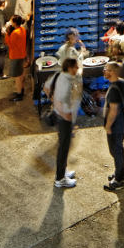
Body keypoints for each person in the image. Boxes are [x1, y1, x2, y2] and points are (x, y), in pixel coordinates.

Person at [47, 57, 82, 189]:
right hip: (64, 119)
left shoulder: (58, 75)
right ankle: (60, 179)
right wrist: (65, 115)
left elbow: (46, 88)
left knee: (64, 146)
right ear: (70, 68)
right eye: (76, 67)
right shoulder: (66, 82)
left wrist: (54, 102)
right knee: (63, 148)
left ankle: (62, 171)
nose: (77, 69)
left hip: (60, 117)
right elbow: (59, 101)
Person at [103, 61, 124, 191]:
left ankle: (119, 180)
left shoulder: (113, 90)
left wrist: (108, 126)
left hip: (115, 125)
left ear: (113, 72)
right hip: (121, 121)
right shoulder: (122, 82)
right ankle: (119, 172)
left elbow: (113, 111)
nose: (104, 71)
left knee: (115, 150)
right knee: (117, 149)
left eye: (107, 69)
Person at [4, 15, 28, 102]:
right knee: (21, 75)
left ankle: (19, 94)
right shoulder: (23, 30)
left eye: (11, 21)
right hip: (22, 55)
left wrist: (7, 34)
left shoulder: (15, 33)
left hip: (15, 56)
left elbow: (10, 44)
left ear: (14, 23)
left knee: (18, 77)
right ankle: (21, 90)